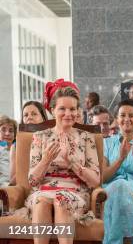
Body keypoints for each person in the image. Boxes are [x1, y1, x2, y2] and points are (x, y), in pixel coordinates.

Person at [20, 80, 100, 244]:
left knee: (61, 202)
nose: (68, 113)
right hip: (43, 191)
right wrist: (46, 159)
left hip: (75, 192)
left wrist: (72, 162)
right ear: (52, 110)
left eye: (72, 109)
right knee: (42, 203)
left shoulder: (86, 137)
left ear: (78, 110)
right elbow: (32, 180)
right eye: (62, 108)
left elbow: (94, 181)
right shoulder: (40, 137)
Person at [102, 99, 133, 244]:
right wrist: (121, 158)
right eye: (122, 115)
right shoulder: (107, 143)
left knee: (123, 187)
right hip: (111, 191)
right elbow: (103, 177)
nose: (127, 119)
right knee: (120, 185)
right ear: (116, 119)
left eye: (131, 115)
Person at [11, 101, 48, 185]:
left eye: (34, 114)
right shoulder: (16, 145)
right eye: (26, 115)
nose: (29, 117)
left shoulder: (52, 138)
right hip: (26, 186)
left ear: (43, 117)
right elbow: (13, 178)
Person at [0, 115, 17, 187]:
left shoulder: (19, 151)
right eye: (3, 130)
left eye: (11, 131)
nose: (7, 133)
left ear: (15, 135)